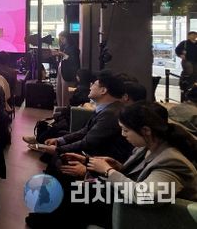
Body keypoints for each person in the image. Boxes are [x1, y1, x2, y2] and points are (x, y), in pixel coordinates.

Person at [54, 102, 197, 228]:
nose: (123, 134)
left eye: (126, 130)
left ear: (146, 130)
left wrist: (109, 171)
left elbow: (146, 196)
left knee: (72, 198)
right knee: (67, 187)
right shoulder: (147, 146)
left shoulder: (172, 161)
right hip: (127, 203)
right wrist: (98, 163)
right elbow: (142, 174)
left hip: (145, 215)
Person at [31, 71, 133, 163]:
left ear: (103, 90)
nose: (90, 87)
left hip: (103, 159)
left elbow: (89, 142)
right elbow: (85, 131)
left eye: (94, 84)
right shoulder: (107, 108)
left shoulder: (110, 114)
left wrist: (58, 150)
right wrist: (59, 140)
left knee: (56, 159)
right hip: (96, 152)